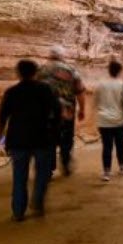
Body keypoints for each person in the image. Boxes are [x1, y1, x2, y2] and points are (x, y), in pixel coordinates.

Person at [0, 59, 60, 221]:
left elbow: (2, 116)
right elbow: (57, 112)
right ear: (36, 72)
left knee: (19, 176)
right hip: (41, 138)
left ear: (18, 73)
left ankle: (18, 212)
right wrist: (56, 133)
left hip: (18, 139)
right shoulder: (45, 90)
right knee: (42, 173)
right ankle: (37, 202)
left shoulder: (11, 92)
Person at [38, 45, 86, 176]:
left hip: (45, 113)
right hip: (67, 112)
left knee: (48, 140)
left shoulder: (40, 70)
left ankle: (48, 168)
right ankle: (65, 163)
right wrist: (82, 109)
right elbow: (80, 91)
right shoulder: (71, 70)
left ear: (49, 55)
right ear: (62, 56)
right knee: (66, 139)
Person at [93, 60, 123, 181]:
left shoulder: (100, 85)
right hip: (120, 120)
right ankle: (122, 167)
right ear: (120, 71)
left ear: (109, 70)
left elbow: (96, 101)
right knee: (120, 144)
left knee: (106, 147)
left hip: (104, 121)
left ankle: (106, 172)